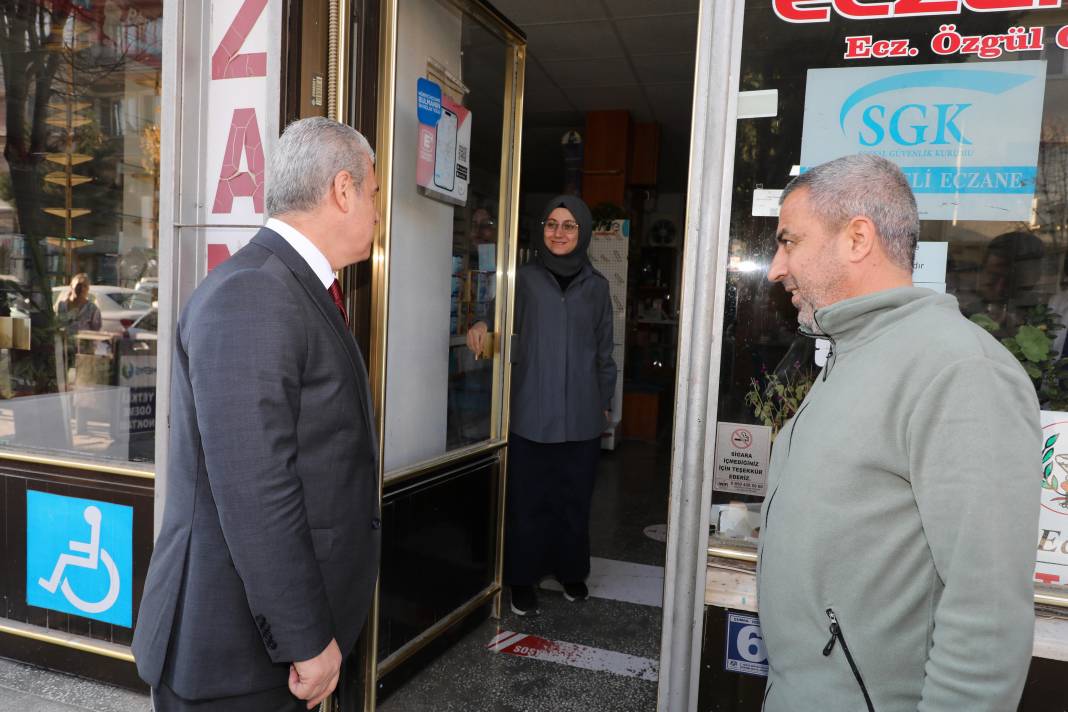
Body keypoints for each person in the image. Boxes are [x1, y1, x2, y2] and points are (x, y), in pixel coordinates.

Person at [759, 154, 1040, 711]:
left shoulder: (960, 370)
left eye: (789, 241)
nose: (775, 268)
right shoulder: (854, 350)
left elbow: (987, 615)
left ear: (857, 238)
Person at [132, 117, 381, 711]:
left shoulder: (292, 287)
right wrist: (306, 638)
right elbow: (256, 488)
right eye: (373, 194)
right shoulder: (255, 292)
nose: (376, 213)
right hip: (233, 661)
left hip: (264, 656)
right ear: (343, 190)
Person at [468, 195, 616, 616]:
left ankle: (571, 573)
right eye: (552, 224)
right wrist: (482, 322)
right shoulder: (524, 280)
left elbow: (605, 353)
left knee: (574, 501)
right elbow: (496, 316)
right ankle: (522, 579)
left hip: (583, 417)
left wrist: (604, 402)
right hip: (531, 413)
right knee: (528, 503)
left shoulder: (597, 287)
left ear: (582, 232)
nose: (559, 233)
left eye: (569, 226)